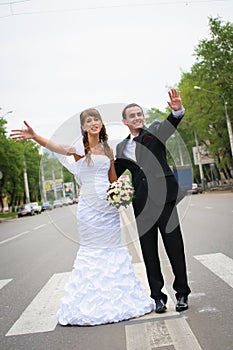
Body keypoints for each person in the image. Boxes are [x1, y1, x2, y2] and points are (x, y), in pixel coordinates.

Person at [10, 108, 154, 326]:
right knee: (92, 252)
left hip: (108, 208)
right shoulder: (80, 147)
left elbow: (112, 177)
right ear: (84, 126)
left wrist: (120, 192)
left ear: (101, 124)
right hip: (89, 209)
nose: (94, 122)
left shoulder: (107, 149)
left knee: (113, 249)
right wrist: (35, 135)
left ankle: (118, 299)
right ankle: (90, 302)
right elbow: (55, 146)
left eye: (96, 119)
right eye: (89, 120)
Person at [114, 89, 191, 314]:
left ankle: (182, 293)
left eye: (140, 114)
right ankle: (157, 297)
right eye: (132, 115)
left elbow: (170, 124)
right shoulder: (121, 147)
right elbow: (115, 173)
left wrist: (177, 110)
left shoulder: (155, 132)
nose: (137, 117)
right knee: (149, 253)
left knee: (175, 248)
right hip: (142, 206)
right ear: (124, 121)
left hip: (165, 201)